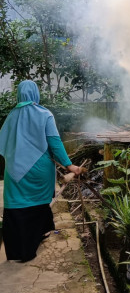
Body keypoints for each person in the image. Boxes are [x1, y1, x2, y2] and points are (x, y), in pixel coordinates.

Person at [0, 80, 82, 262]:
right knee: (38, 205)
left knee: (16, 206)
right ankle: (37, 238)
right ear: (36, 94)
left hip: (14, 172)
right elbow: (55, 143)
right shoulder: (44, 114)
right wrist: (69, 166)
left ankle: (17, 250)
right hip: (39, 171)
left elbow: (3, 144)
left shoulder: (11, 117)